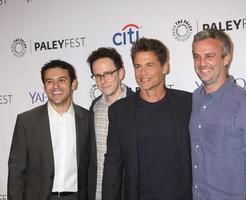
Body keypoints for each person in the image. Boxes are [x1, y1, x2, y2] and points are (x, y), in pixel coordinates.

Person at [102, 38, 192, 200]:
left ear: (165, 67)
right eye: (138, 66)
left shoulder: (188, 103)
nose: (142, 73)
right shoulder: (119, 111)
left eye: (149, 65)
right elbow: (113, 164)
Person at [190, 29, 246, 200]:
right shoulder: (192, 100)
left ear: (226, 59)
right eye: (196, 56)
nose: (201, 63)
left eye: (209, 56)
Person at [8, 60, 93, 200]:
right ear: (44, 86)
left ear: (73, 83)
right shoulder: (26, 121)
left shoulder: (88, 119)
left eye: (62, 80)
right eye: (49, 81)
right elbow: (16, 171)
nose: (55, 86)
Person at [87, 47, 133, 200]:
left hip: (127, 192)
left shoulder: (137, 106)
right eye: (97, 75)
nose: (102, 80)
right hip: (98, 193)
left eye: (107, 74)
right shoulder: (94, 108)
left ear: (121, 73)